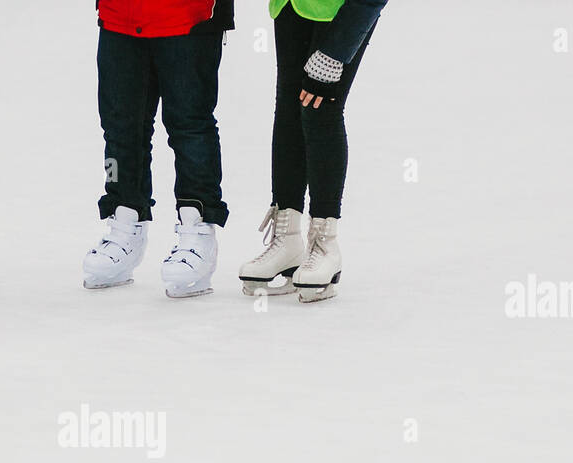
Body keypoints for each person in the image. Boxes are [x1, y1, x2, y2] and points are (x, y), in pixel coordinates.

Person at [83, 1, 235, 298]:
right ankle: (124, 216)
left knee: (190, 126)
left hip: (189, 17)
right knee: (119, 127)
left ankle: (197, 226)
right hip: (119, 15)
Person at [239, 0, 387, 303]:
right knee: (289, 111)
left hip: (341, 12)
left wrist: (338, 49)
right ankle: (287, 236)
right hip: (291, 6)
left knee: (321, 110)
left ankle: (325, 242)